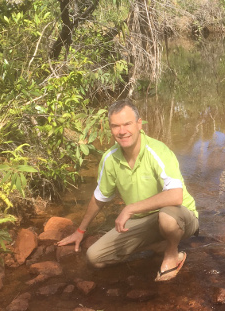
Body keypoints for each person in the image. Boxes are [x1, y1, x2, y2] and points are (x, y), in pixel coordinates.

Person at [57, 100, 199, 282]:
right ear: (110, 129)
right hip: (144, 220)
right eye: (115, 126)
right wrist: (80, 230)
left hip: (181, 217)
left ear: (139, 124)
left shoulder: (157, 151)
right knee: (95, 258)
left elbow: (175, 196)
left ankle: (172, 253)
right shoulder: (110, 159)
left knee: (166, 217)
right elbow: (100, 197)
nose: (122, 131)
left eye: (127, 124)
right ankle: (158, 244)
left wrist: (130, 209)